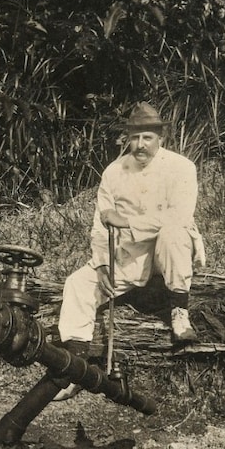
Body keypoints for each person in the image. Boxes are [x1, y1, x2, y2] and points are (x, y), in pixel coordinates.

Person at [53, 102, 205, 401]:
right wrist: (101, 265)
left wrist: (128, 222)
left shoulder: (181, 167)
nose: (140, 145)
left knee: (173, 233)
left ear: (160, 138)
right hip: (128, 255)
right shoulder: (113, 172)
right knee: (77, 284)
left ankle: (179, 313)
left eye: (147, 137)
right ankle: (74, 369)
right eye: (134, 138)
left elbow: (179, 217)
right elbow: (100, 226)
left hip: (170, 253)